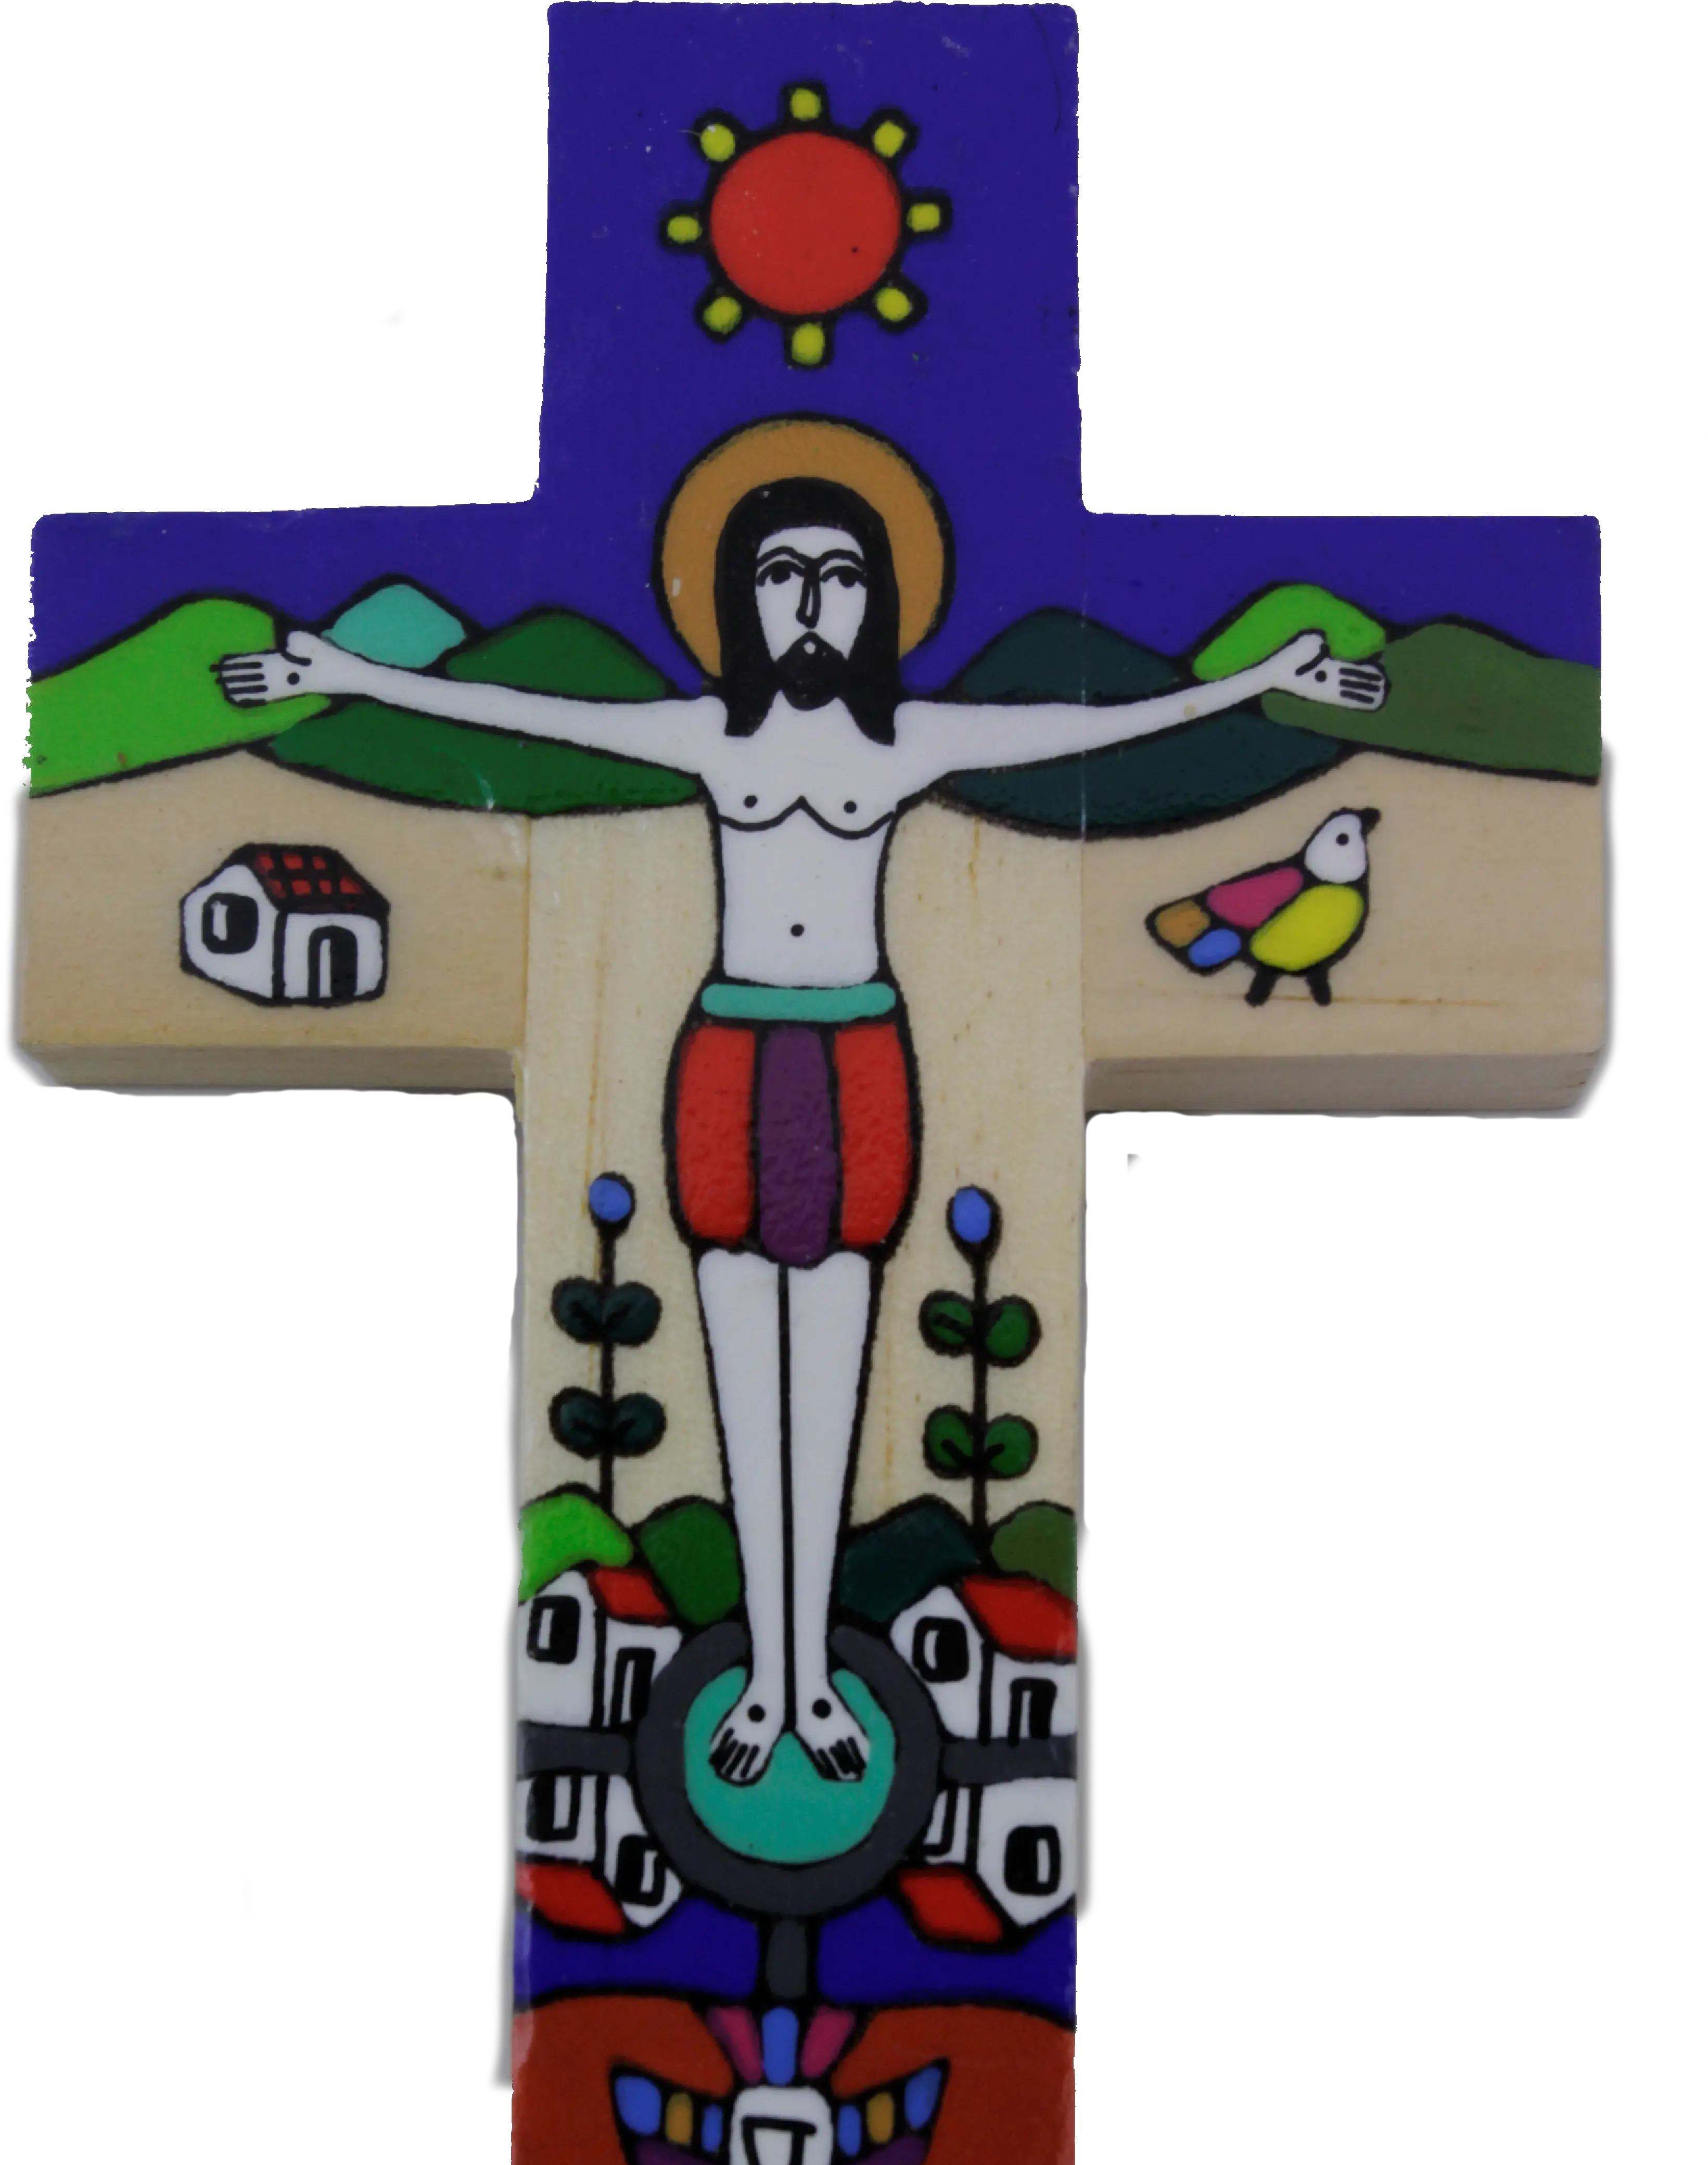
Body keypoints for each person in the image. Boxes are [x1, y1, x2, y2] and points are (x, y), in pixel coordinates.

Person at [220, 423, 1384, 1791]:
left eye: (841, 576)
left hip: (860, 1063)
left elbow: (1086, 722)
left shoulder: (905, 745)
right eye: (783, 575)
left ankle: (806, 1682)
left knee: (831, 1379)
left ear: (877, 600)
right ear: (742, 599)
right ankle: (768, 1679)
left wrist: (1259, 679)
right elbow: (527, 714)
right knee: (737, 1378)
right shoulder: (708, 738)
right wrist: (344, 672)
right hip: (727, 1056)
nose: (813, 603)